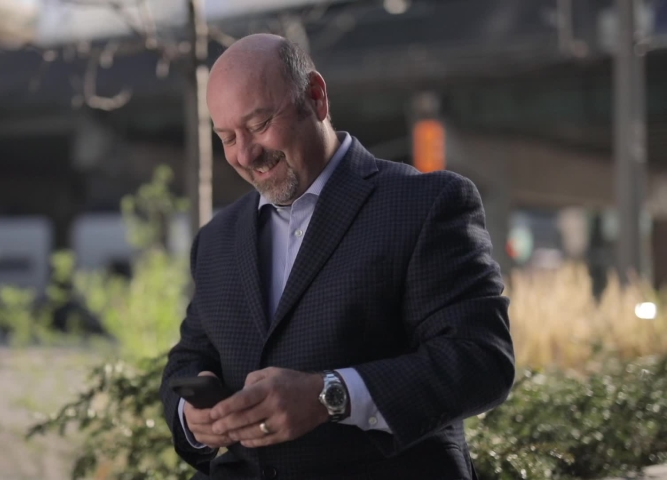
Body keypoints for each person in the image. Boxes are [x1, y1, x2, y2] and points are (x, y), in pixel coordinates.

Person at [159, 33, 515, 480]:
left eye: (258, 125)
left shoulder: (429, 204)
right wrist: (194, 415)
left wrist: (330, 395)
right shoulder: (217, 239)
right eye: (227, 137)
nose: (245, 154)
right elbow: (188, 359)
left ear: (316, 97)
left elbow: (481, 360)